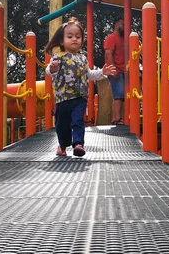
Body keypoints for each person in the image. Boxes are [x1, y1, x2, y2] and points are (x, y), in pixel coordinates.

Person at [45, 18, 116, 157]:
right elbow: (49, 72)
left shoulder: (83, 58)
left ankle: (78, 144)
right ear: (62, 41)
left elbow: (88, 74)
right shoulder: (58, 57)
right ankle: (63, 145)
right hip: (63, 98)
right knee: (62, 125)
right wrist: (52, 68)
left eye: (78, 36)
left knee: (78, 120)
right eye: (70, 36)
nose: (74, 39)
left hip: (80, 97)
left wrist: (102, 72)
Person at [103, 17, 125, 125]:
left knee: (122, 95)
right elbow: (108, 53)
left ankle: (118, 118)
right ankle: (116, 119)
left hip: (123, 70)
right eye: (122, 24)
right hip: (116, 70)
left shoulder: (123, 39)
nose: (124, 27)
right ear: (116, 25)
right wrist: (113, 69)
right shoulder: (111, 38)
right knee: (119, 94)